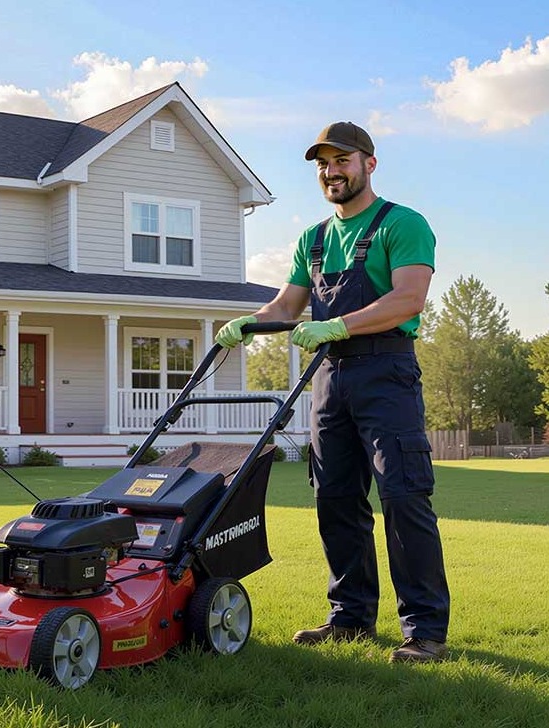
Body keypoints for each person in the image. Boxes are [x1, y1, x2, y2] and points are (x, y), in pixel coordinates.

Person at [215, 122, 450, 663]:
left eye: (341, 160)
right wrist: (246, 324)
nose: (331, 172)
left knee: (403, 495)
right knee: (336, 499)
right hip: (329, 379)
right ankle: (350, 619)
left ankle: (425, 631)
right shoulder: (314, 239)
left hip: (386, 372)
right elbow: (285, 307)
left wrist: (338, 326)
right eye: (322, 164)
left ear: (369, 163)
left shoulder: (403, 224)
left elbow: (409, 299)